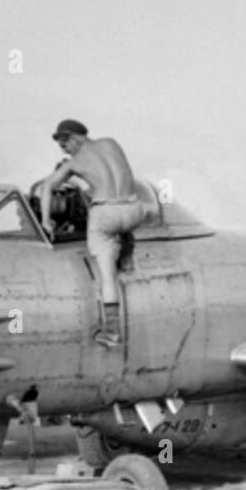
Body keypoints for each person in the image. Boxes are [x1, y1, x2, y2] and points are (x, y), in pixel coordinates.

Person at [35, 119, 147, 346]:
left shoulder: (74, 163)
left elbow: (46, 187)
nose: (64, 149)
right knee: (120, 226)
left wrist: (46, 221)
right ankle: (125, 247)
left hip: (105, 215)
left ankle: (112, 332)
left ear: (74, 138)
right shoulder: (111, 143)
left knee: (107, 275)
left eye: (64, 144)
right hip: (135, 210)